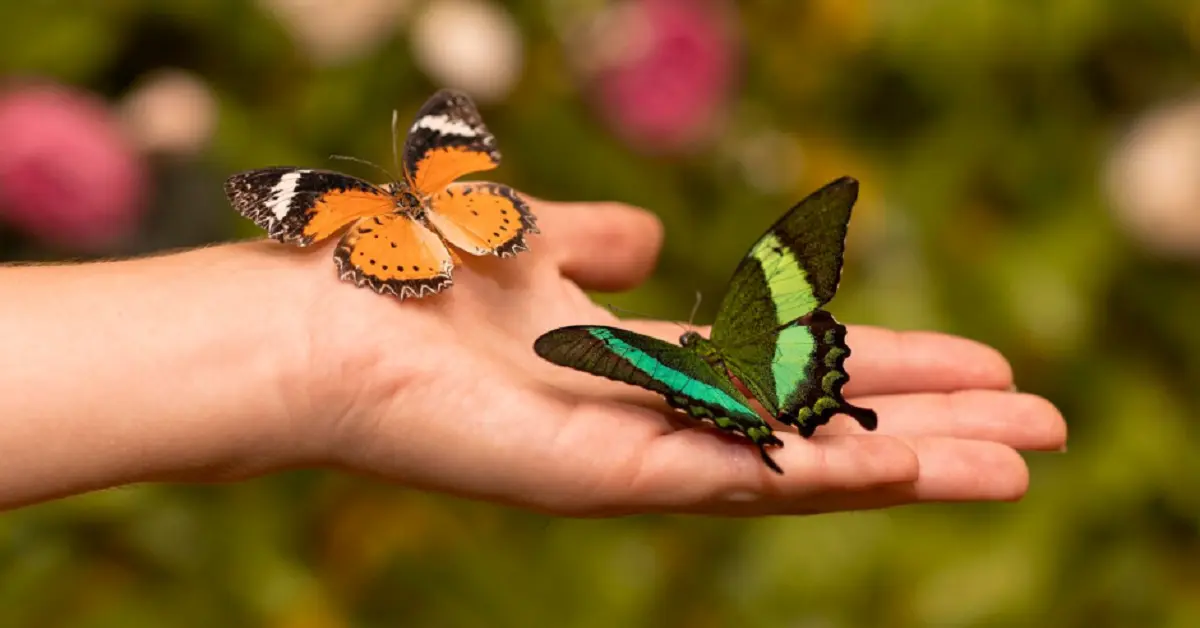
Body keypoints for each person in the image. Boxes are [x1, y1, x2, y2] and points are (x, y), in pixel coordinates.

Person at [0, 196, 1066, 515]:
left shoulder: (645, 354)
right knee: (770, 354)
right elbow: (765, 292)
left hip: (712, 389)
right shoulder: (726, 320)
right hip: (762, 374)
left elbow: (620, 351)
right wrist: (304, 336)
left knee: (731, 379)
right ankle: (776, 406)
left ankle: (752, 414)